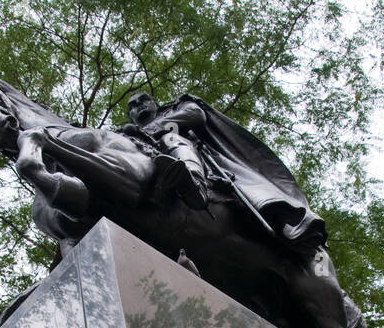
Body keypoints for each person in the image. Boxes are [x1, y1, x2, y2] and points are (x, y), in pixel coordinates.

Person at [122, 91, 327, 254]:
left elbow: (195, 115)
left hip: (201, 163)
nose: (138, 106)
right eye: (132, 106)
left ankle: (195, 185)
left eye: (143, 100)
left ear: (155, 102)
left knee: (171, 139)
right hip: (153, 173)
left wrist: (154, 129)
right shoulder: (126, 136)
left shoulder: (172, 112)